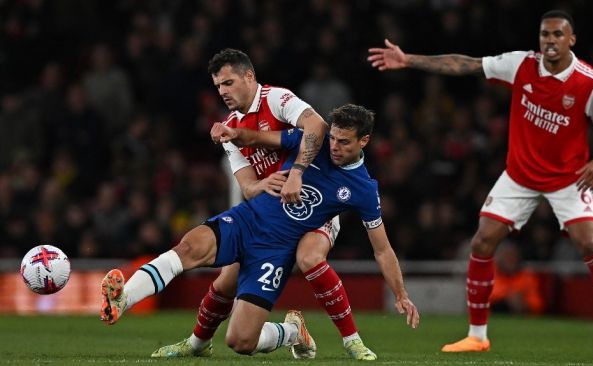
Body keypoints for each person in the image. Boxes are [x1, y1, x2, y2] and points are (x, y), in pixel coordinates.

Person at [368, 9, 593, 354]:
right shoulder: (520, 64)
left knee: (588, 243)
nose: (550, 40)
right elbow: (465, 63)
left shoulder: (591, 82)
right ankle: (477, 336)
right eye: (545, 34)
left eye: (558, 34)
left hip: (567, 178)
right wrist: (408, 59)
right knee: (482, 242)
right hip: (520, 176)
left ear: (571, 39)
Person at [100, 103, 420, 359]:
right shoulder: (314, 143)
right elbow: (259, 138)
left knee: (240, 341)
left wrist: (401, 295)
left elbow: (382, 249)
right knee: (188, 247)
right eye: (333, 138)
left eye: (343, 142)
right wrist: (232, 131)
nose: (333, 146)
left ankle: (292, 332)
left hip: (275, 250)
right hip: (248, 220)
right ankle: (124, 301)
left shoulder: (363, 189)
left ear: (364, 141)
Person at [150, 49, 377, 360]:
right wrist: (259, 182)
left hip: (314, 206)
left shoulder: (277, 100)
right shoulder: (230, 128)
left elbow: (315, 127)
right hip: (271, 214)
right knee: (226, 284)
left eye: (228, 83)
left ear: (248, 77)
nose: (224, 91)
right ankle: (205, 342)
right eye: (218, 86)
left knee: (310, 256)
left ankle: (352, 340)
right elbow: (247, 187)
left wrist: (296, 172)